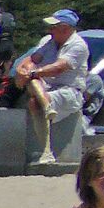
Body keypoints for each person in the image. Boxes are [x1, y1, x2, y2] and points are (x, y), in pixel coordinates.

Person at [12, 9, 88, 166]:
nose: (50, 30)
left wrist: (32, 73)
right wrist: (22, 69)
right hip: (45, 87)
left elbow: (59, 67)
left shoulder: (78, 45)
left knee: (34, 99)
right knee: (35, 96)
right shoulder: (48, 41)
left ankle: (47, 151)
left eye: (54, 27)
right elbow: (33, 59)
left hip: (69, 91)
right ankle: (47, 109)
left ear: (65, 28)